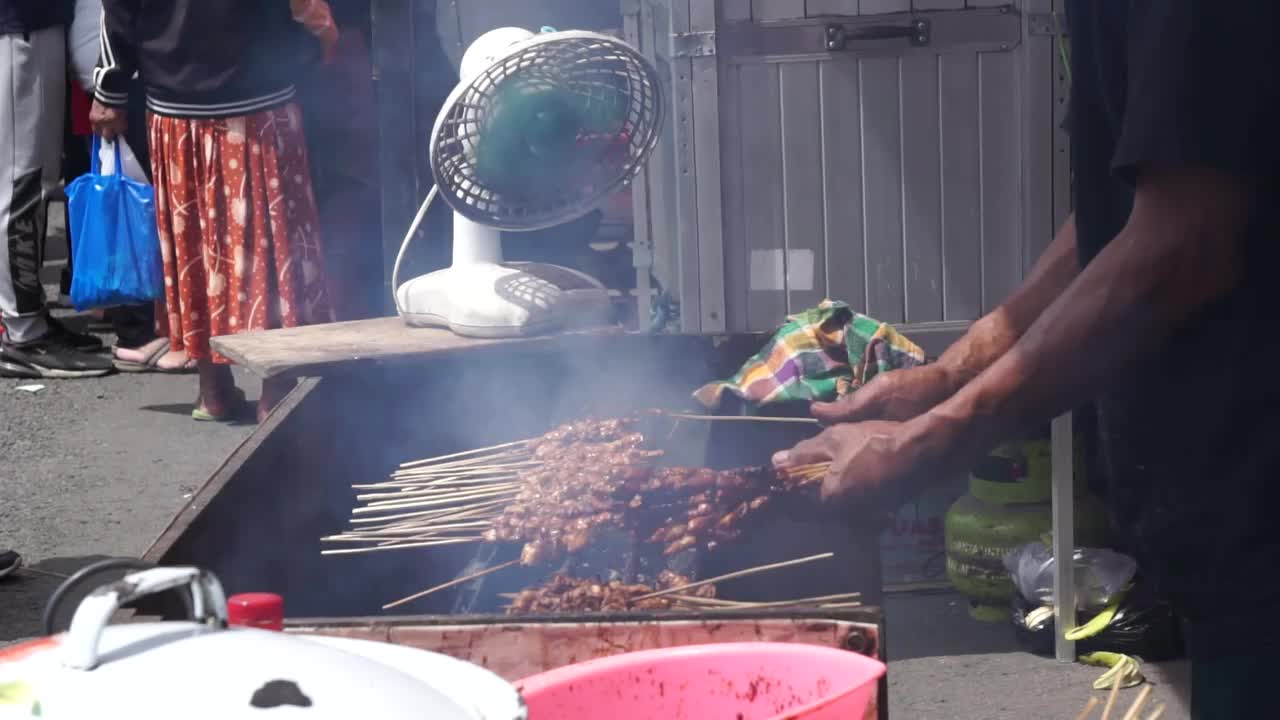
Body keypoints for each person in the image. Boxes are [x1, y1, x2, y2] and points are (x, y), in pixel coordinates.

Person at [772, 2, 1279, 716]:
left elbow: (1184, 241)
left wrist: (937, 435)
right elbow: (1124, 205)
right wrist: (955, 371)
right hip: (1221, 519)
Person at [91, 0, 338, 422]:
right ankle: (275, 389)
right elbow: (309, 14)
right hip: (260, 104)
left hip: (176, 109)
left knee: (196, 249)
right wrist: (321, 46)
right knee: (268, 245)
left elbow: (118, 14)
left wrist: (109, 90)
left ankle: (213, 390)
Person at [66, 0, 194, 373]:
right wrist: (111, 89)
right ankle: (139, 333)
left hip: (115, 70)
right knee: (138, 205)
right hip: (123, 73)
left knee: (130, 203)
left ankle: (141, 329)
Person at [0, 0, 112, 378]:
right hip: (20, 27)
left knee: (33, 176)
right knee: (23, 180)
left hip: (32, 25)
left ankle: (26, 319)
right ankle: (22, 330)